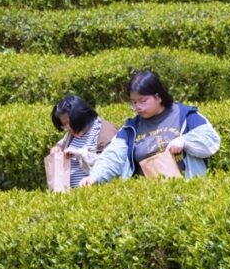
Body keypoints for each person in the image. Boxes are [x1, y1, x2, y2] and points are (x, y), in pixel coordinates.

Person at [81, 70, 220, 186]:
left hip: (188, 188)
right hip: (150, 196)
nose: (138, 107)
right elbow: (113, 156)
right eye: (134, 102)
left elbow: (211, 139)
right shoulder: (131, 128)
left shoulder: (185, 115)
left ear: (158, 97)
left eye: (143, 101)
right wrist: (95, 177)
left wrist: (185, 141)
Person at [49, 95, 118, 189]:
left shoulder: (104, 131)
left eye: (68, 122)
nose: (67, 128)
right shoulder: (71, 133)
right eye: (64, 125)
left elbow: (111, 163)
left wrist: (79, 153)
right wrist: (56, 148)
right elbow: (61, 144)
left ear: (80, 116)